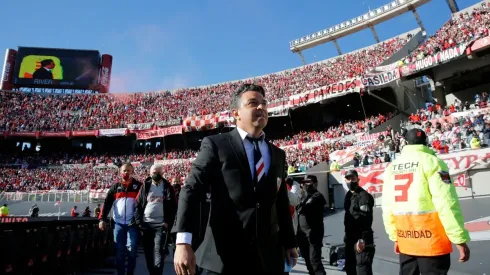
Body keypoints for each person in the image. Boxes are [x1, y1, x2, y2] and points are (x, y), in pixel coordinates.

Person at [173, 84, 297, 275]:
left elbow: (280, 202)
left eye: (264, 103)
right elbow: (191, 189)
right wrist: (183, 241)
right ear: (236, 113)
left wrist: (289, 243)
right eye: (253, 103)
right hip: (223, 259)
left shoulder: (278, 154)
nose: (261, 108)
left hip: (268, 259)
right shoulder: (216, 145)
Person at [382, 129, 471, 275]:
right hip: (432, 241)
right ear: (426, 142)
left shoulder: (392, 167)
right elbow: (446, 203)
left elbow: (387, 206)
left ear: (406, 143)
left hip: (406, 239)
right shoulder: (433, 162)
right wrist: (459, 239)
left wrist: (395, 236)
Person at [98, 163, 143, 275]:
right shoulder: (115, 187)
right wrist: (102, 219)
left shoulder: (139, 186)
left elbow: (143, 204)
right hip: (118, 224)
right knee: (119, 251)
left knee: (132, 249)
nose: (126, 173)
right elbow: (107, 203)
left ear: (132, 172)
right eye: (124, 171)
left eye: (128, 170)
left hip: (132, 224)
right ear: (120, 172)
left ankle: (130, 273)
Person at [134, 164, 177, 275]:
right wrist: (139, 222)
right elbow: (138, 204)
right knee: (148, 253)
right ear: (150, 173)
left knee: (159, 251)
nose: (156, 175)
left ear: (162, 174)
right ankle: (152, 272)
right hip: (146, 224)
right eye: (154, 173)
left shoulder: (168, 187)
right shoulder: (145, 186)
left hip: (161, 225)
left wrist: (168, 222)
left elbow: (173, 206)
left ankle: (157, 273)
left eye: (158, 173)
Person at [343, 170, 375, 275]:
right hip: (350, 240)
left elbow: (366, 221)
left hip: (361, 241)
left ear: (358, 180)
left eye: (353, 179)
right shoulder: (348, 196)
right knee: (350, 270)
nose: (350, 181)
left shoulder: (364, 196)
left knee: (362, 271)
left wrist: (361, 240)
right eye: (348, 179)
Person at [296, 175, 327, 275]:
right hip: (303, 235)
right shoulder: (305, 196)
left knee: (315, 262)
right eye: (305, 183)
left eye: (308, 182)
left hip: (313, 235)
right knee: (308, 262)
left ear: (315, 183)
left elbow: (306, 209)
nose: (306, 185)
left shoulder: (318, 196)